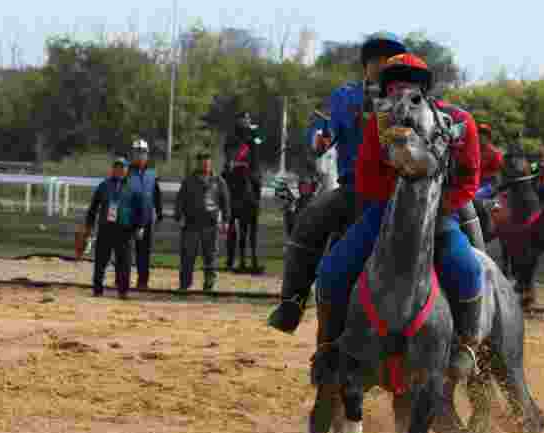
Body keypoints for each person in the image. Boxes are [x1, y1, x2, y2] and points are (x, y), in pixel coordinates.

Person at [315, 53, 483, 381]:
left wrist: (439, 205)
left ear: (423, 89)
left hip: (438, 213)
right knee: (333, 268)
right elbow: (365, 177)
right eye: (392, 84)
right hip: (386, 213)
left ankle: (466, 345)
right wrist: (398, 202)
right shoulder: (378, 124)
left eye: (408, 84)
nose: (399, 91)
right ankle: (331, 346)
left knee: (468, 268)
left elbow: (469, 177)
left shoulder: (456, 119)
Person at [266, 31, 408, 334]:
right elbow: (321, 126)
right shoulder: (346, 96)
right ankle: (292, 303)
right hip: (354, 190)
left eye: (390, 59)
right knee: (308, 221)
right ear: (366, 64)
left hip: (403, 193)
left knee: (461, 222)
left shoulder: (410, 98)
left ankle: (471, 319)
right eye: (376, 59)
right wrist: (319, 138)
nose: (383, 64)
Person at [84, 156, 140, 299]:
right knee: (101, 260)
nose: (120, 170)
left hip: (125, 229)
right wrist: (89, 226)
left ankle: (123, 291)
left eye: (123, 167)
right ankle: (97, 289)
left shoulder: (133, 187)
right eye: (117, 167)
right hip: (106, 228)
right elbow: (93, 208)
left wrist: (139, 226)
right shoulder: (104, 185)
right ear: (112, 169)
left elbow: (139, 209)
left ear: (127, 170)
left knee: (125, 262)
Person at [174, 152, 231, 291]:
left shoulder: (218, 181)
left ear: (210, 163)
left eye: (207, 162)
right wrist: (179, 216)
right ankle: (185, 285)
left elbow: (225, 201)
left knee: (210, 257)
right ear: (198, 163)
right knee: (188, 256)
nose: (205, 164)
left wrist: (226, 220)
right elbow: (180, 200)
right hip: (191, 226)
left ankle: (209, 285)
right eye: (202, 162)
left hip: (210, 226)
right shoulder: (189, 180)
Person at [222, 112, 263, 272]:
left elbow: (258, 148)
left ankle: (252, 259)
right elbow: (228, 152)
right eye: (243, 119)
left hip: (250, 174)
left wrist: (255, 135)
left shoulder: (253, 134)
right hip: (235, 175)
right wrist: (234, 163)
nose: (246, 121)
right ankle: (230, 259)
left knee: (256, 183)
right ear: (238, 120)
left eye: (248, 119)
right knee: (232, 223)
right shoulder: (232, 136)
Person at [128, 138, 162, 291]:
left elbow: (156, 194)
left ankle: (143, 281)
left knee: (144, 253)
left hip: (146, 219)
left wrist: (159, 212)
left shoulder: (152, 173)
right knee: (125, 251)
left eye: (142, 153)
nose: (140, 156)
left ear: (147, 155)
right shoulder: (126, 172)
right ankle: (121, 279)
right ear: (132, 154)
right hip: (128, 218)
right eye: (137, 153)